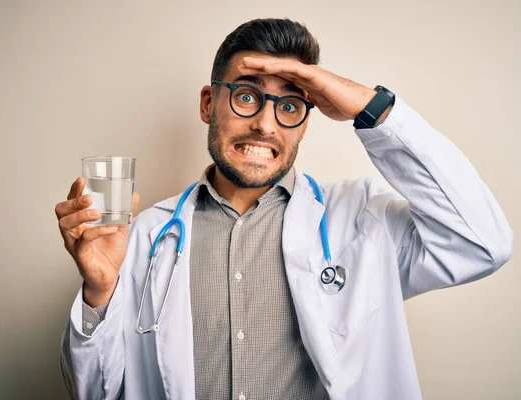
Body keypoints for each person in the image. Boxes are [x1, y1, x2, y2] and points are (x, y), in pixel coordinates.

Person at [56, 18, 513, 400]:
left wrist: (371, 109)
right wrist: (99, 291)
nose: (264, 124)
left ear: (306, 124)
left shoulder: (362, 222)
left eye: (290, 104)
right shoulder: (143, 238)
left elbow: (481, 244)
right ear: (207, 102)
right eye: (247, 96)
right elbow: (95, 393)